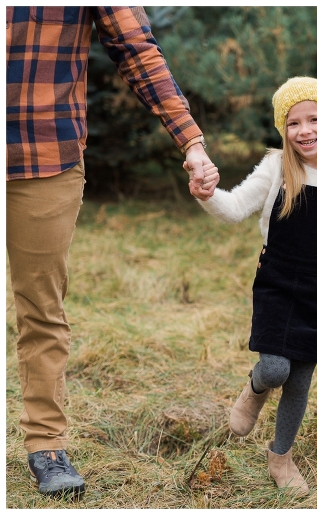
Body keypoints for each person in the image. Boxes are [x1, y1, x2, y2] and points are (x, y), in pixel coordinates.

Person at [5, 6, 218, 499]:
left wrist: (191, 142)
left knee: (40, 309)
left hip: (43, 157)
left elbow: (138, 51)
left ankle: (46, 446)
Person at [191, 76, 317, 497]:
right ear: (283, 129)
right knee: (276, 368)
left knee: (299, 381)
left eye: (314, 119)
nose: (305, 130)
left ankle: (281, 458)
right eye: (294, 123)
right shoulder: (277, 167)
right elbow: (235, 207)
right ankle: (256, 387)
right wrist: (207, 194)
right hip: (277, 279)